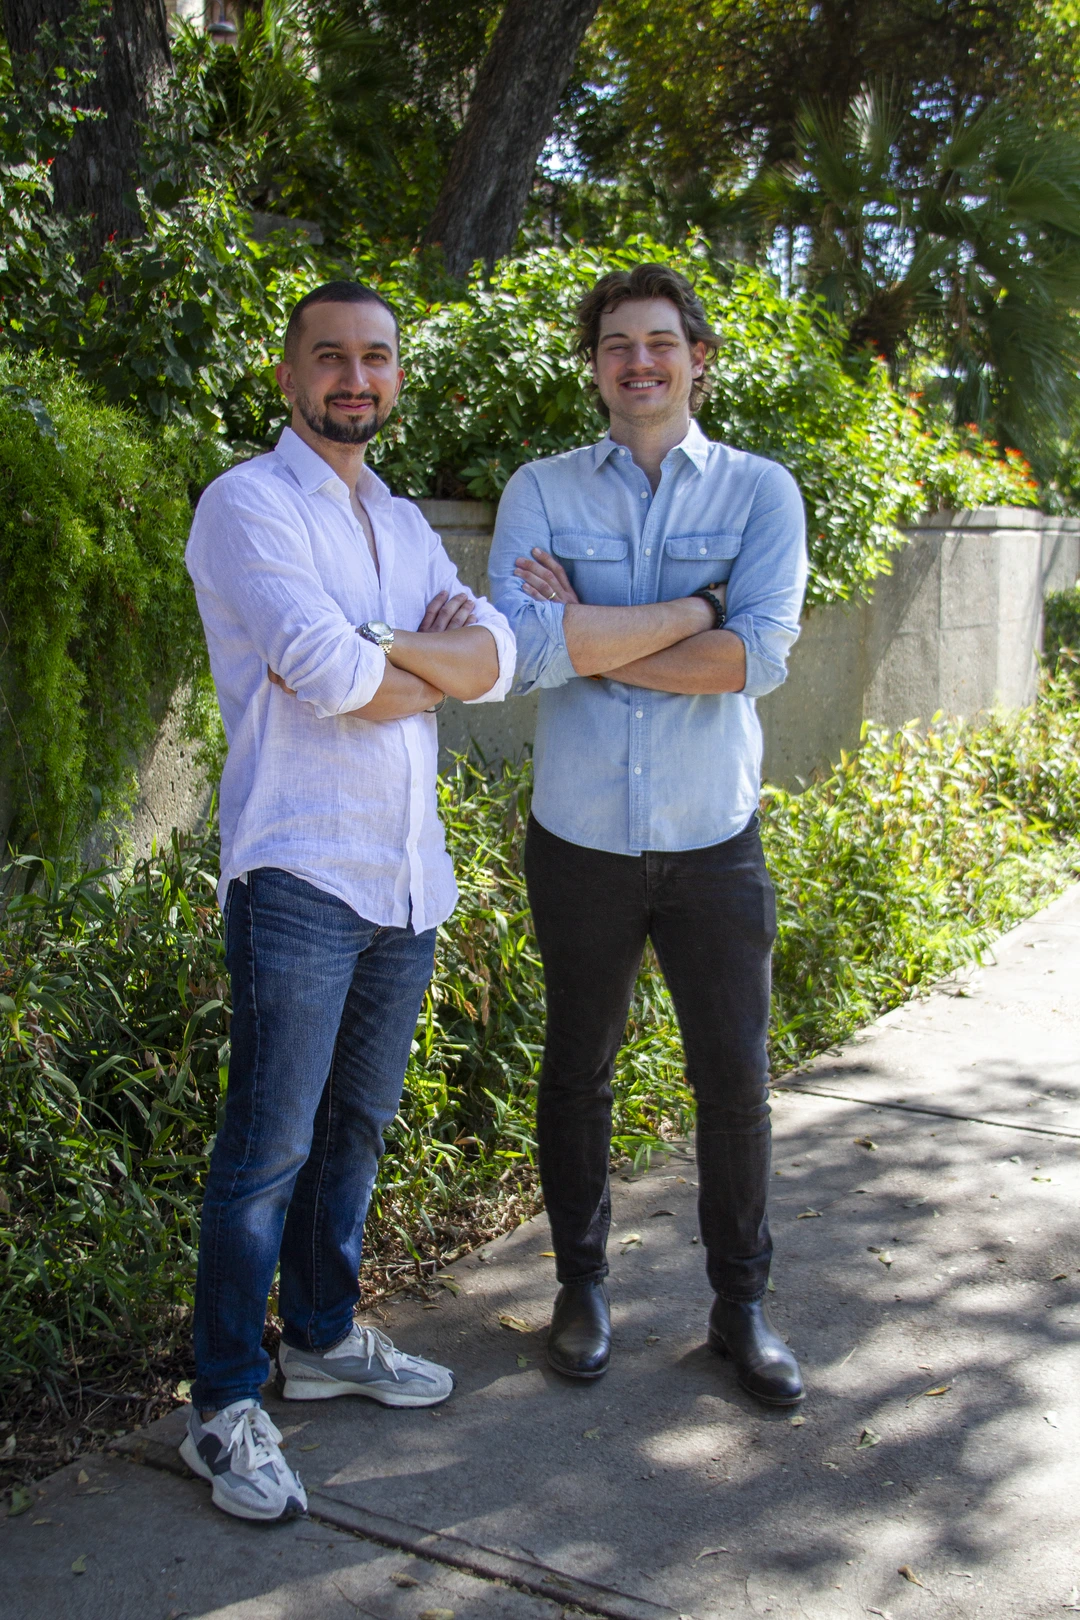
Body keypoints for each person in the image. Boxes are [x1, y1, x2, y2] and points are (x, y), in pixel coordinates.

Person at [182, 280, 515, 1522]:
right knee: (265, 1154)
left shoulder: (403, 519)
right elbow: (329, 675)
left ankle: (319, 1340)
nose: (355, 379)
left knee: (356, 1132)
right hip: (300, 873)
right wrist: (392, 656)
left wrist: (390, 649)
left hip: (405, 877)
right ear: (289, 378)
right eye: (331, 358)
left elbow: (494, 661)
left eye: (374, 358)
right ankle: (223, 1404)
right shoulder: (245, 505)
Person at [488, 263, 808, 1404]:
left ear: (698, 356)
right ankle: (581, 1285)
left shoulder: (762, 494)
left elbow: (758, 661)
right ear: (595, 366)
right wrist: (697, 608)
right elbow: (520, 654)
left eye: (661, 342)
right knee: (577, 1070)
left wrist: (589, 625)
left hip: (714, 837)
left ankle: (742, 1308)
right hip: (579, 839)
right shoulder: (539, 487)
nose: (640, 362)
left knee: (734, 1082)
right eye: (617, 344)